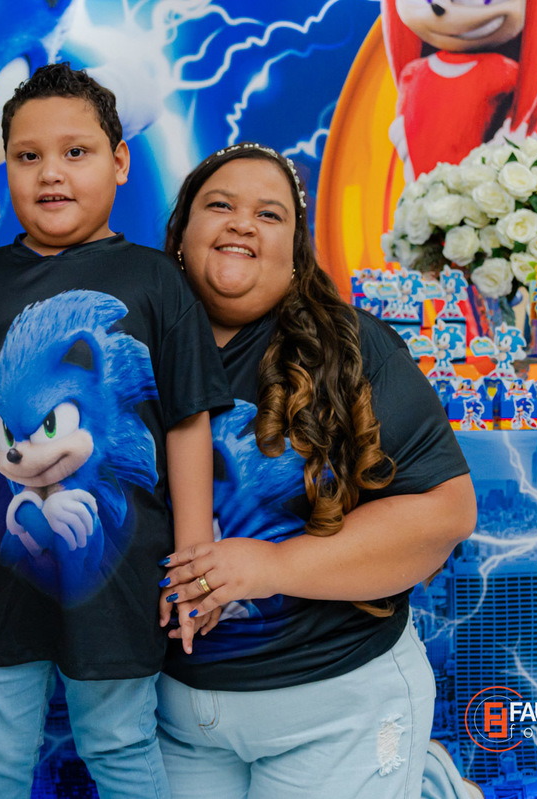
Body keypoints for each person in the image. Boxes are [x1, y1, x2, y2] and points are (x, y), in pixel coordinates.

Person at [0, 63, 231, 799]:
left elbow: (188, 422)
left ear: (119, 162)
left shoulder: (157, 282)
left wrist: (195, 561)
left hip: (121, 581)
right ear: (5, 165)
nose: (51, 172)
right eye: (28, 155)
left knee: (119, 742)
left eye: (75, 152)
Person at [153, 142, 477, 799]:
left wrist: (272, 565)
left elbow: (446, 512)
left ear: (296, 254)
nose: (242, 223)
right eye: (220, 205)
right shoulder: (132, 345)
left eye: (269, 214)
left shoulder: (353, 347)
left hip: (336, 705)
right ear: (180, 236)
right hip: (175, 713)